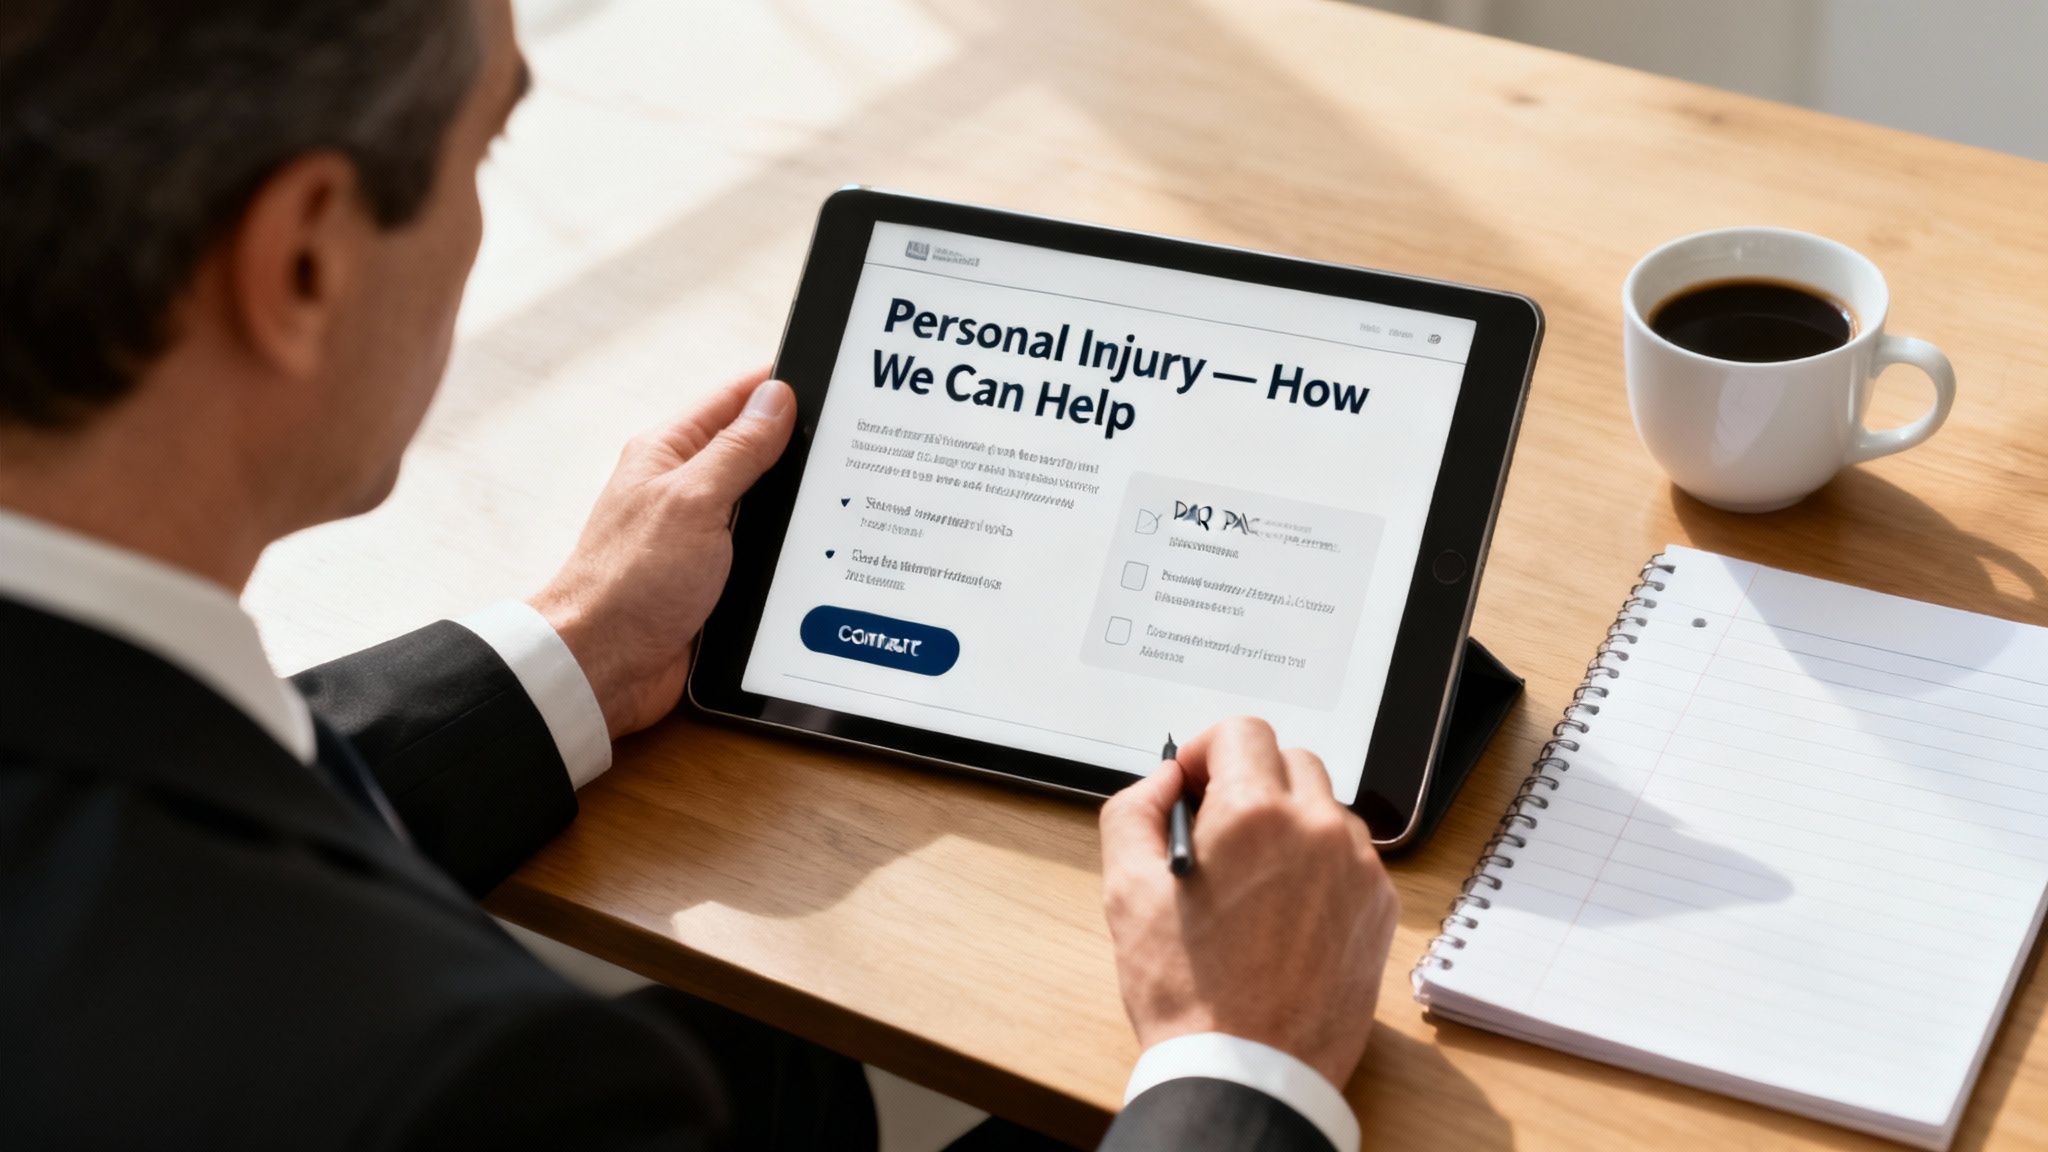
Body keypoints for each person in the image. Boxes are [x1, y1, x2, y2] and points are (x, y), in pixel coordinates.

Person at [0, 2, 1402, 1150]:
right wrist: (1243, 1066)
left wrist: (576, 647)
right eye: (484, 149)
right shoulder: (469, 1093)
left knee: (781, 1078)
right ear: (302, 260)